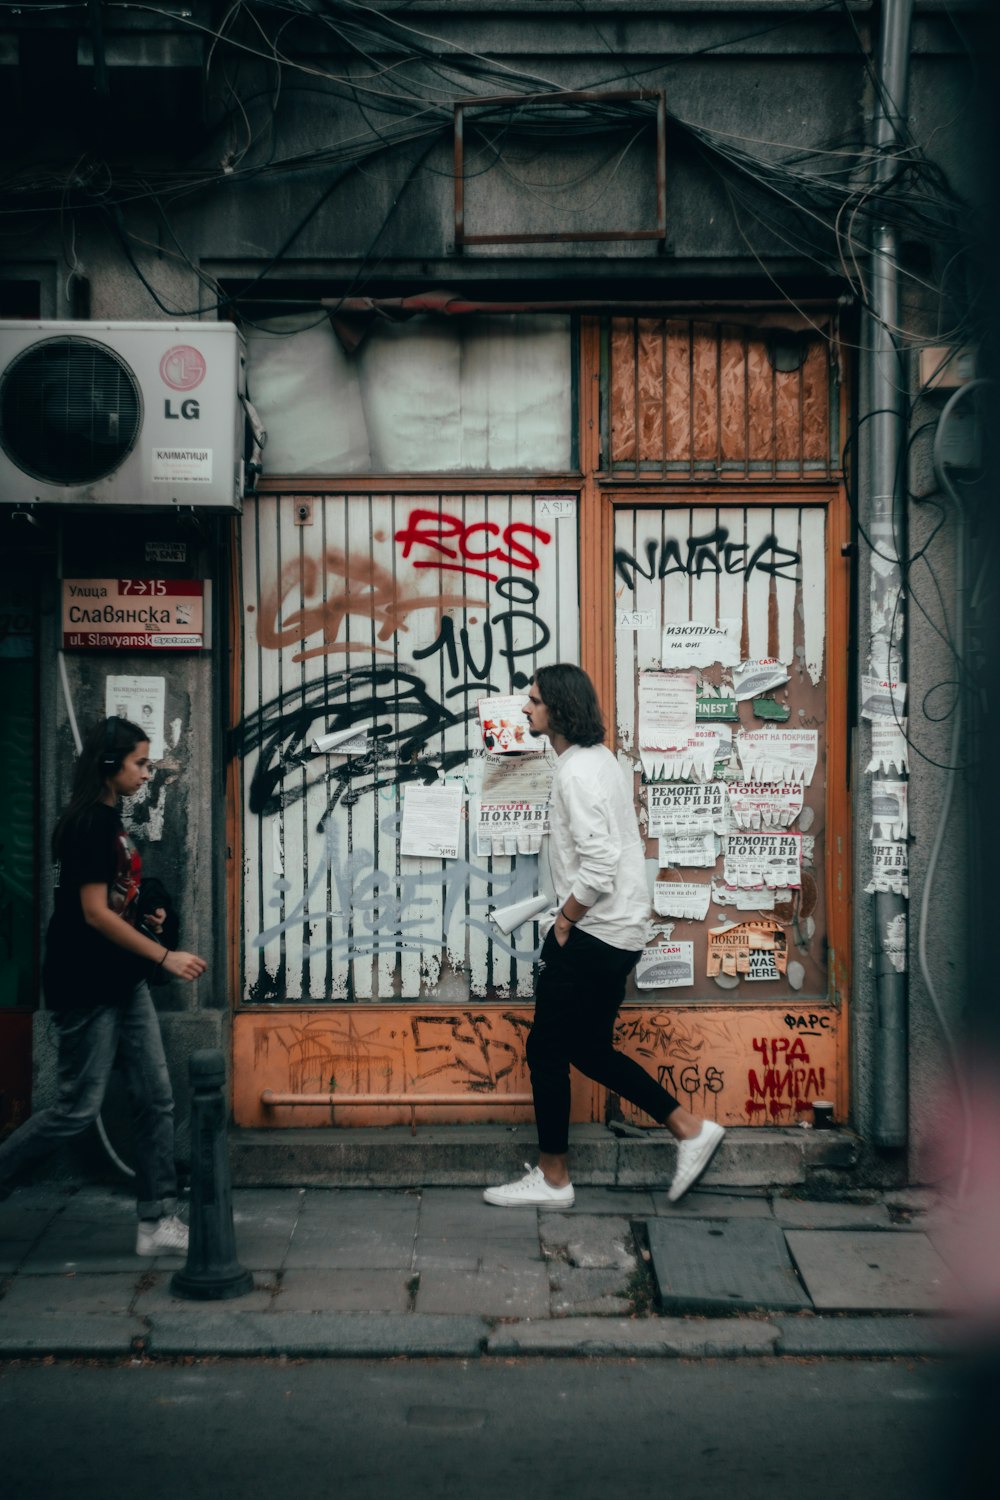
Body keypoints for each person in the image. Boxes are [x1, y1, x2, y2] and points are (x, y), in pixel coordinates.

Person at [483, 664, 724, 1209]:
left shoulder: (575, 773)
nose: (526, 709)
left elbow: (599, 864)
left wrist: (564, 920)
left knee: (546, 1050)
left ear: (559, 711)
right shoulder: (598, 762)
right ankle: (688, 1127)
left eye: (535, 701)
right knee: (587, 1049)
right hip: (617, 931)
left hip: (594, 932)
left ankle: (553, 1179)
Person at [0, 717, 207, 1254]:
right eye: (139, 762)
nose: (147, 771)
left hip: (121, 978)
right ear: (109, 765)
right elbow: (92, 913)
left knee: (156, 1098)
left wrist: (146, 916)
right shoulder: (89, 823)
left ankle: (157, 1220)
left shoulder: (113, 819)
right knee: (75, 1108)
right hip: (86, 982)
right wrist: (165, 955)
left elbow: (113, 900)